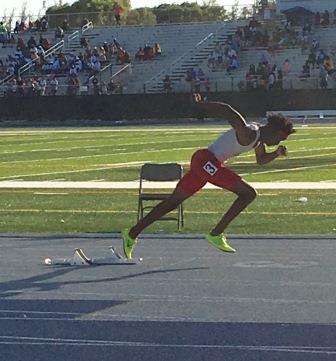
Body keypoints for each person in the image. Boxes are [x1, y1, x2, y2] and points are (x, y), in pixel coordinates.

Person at [121, 94, 296, 259]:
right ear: (274, 130)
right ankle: (216, 234)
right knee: (248, 194)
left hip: (205, 163)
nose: (279, 142)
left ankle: (131, 233)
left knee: (172, 202)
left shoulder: (258, 139)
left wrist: (277, 153)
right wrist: (201, 105)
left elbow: (261, 160)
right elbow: (228, 110)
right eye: (280, 139)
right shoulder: (250, 132)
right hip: (206, 161)